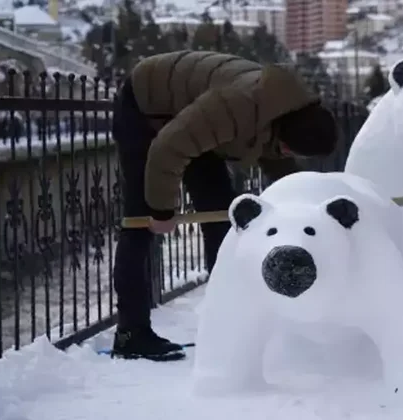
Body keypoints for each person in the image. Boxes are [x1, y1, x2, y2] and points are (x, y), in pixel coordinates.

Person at [110, 51, 338, 361]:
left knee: (222, 219)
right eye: (287, 148)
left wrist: (307, 202)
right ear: (284, 132)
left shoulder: (281, 111)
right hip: (146, 107)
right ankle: (130, 334)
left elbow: (280, 167)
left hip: (189, 119)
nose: (284, 153)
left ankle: (228, 323)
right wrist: (160, 210)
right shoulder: (240, 105)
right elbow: (167, 149)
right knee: (140, 222)